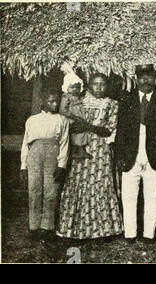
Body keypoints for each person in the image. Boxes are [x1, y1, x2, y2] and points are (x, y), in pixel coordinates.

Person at [115, 64, 156, 245]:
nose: (145, 80)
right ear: (136, 78)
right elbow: (121, 131)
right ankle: (130, 234)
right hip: (130, 155)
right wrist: (120, 155)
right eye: (142, 77)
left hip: (155, 157)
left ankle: (149, 235)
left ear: (155, 79)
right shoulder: (127, 100)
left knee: (152, 196)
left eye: (149, 76)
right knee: (129, 196)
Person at [57, 73, 123, 240]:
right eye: (95, 84)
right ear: (88, 85)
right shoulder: (78, 100)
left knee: (100, 183)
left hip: (100, 149)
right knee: (77, 182)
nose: (99, 88)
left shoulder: (112, 104)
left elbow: (107, 129)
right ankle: (74, 229)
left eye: (102, 84)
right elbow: (66, 122)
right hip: (80, 146)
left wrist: (85, 125)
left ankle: (102, 229)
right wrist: (75, 129)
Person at [20, 88, 69, 241]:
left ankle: (47, 227)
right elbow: (26, 144)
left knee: (51, 190)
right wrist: (23, 165)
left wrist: (61, 164)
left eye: (57, 101)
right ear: (42, 102)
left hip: (52, 153)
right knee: (34, 189)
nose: (55, 104)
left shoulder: (62, 120)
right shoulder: (32, 120)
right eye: (51, 101)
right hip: (34, 153)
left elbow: (64, 143)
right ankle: (34, 226)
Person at [59, 72, 91, 159]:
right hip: (71, 119)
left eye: (77, 87)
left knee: (82, 133)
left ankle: (81, 150)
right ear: (66, 88)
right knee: (75, 134)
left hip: (79, 118)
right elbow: (63, 110)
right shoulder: (66, 97)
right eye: (72, 87)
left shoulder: (79, 97)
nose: (75, 89)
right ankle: (74, 151)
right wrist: (73, 117)